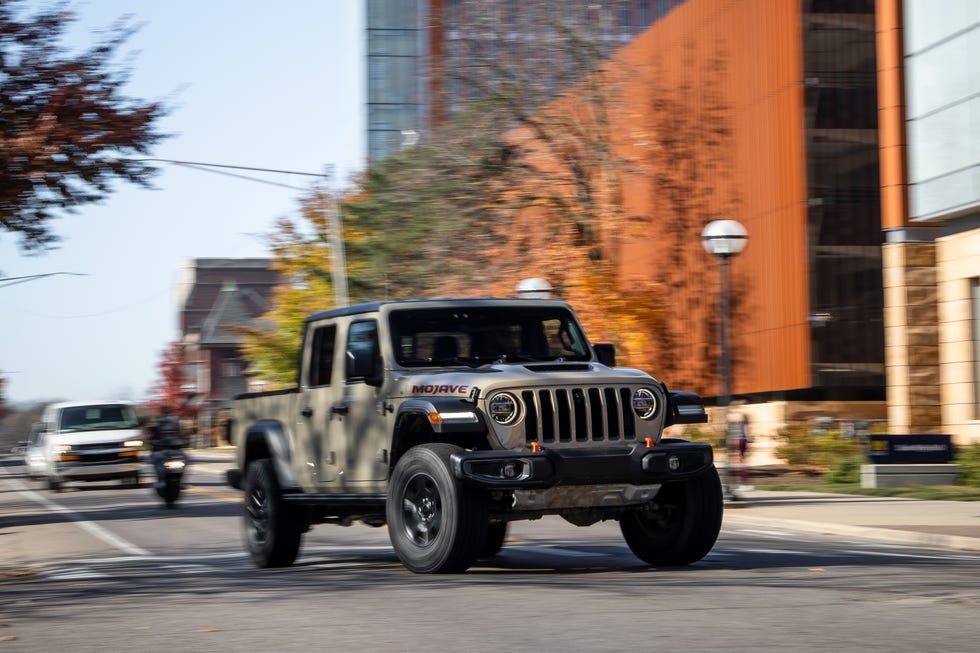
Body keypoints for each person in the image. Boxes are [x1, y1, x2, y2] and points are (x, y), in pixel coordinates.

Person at [728, 407, 751, 490]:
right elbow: (747, 430)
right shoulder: (744, 420)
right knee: (742, 461)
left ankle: (736, 482)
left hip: (733, 440)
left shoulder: (732, 421)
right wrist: (749, 441)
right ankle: (743, 481)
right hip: (741, 440)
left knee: (736, 461)